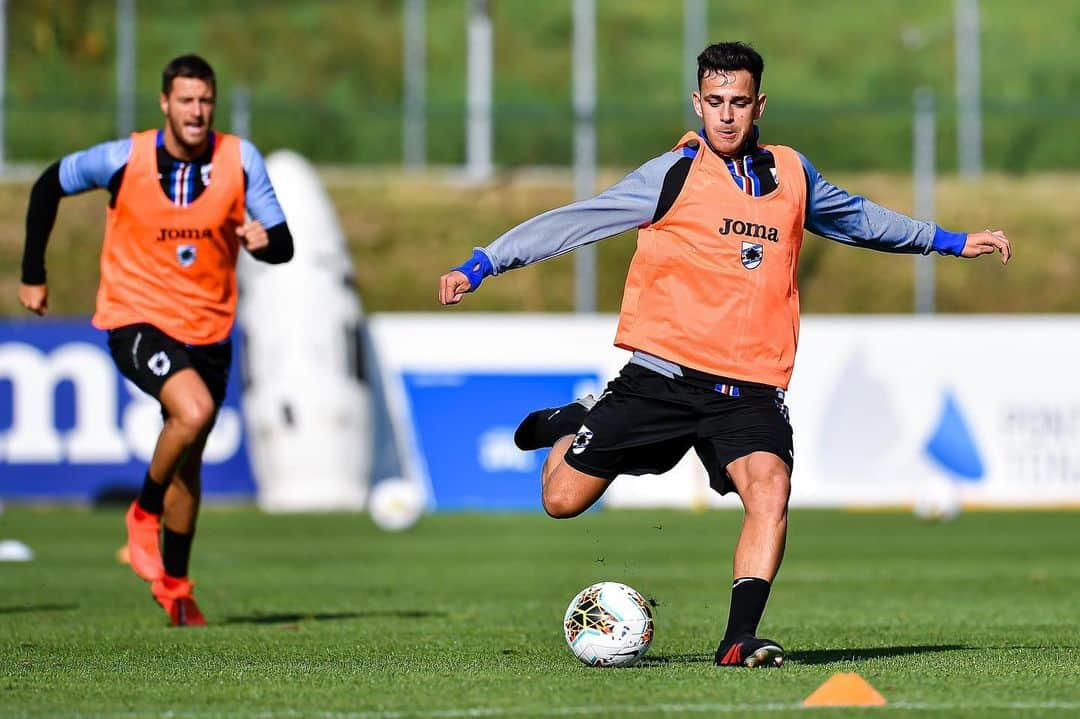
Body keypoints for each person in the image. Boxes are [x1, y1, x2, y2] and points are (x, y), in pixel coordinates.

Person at [439, 42, 1010, 667]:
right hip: (661, 378)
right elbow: (578, 220)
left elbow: (861, 219)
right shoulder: (673, 175)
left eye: (739, 102)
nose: (727, 116)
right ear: (697, 103)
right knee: (561, 501)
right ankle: (572, 420)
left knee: (771, 488)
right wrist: (484, 262)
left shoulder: (793, 173)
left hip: (750, 388)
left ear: (759, 103)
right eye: (715, 103)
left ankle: (738, 638)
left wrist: (950, 241)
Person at [18, 54, 293, 626]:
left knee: (188, 463)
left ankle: (176, 587)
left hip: (210, 330)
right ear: (165, 103)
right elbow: (49, 185)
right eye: (186, 100)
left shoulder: (240, 160)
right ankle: (142, 516)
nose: (197, 111)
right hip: (135, 317)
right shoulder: (124, 157)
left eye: (205, 101)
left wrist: (261, 241)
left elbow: (283, 245)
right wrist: (33, 273)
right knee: (191, 413)